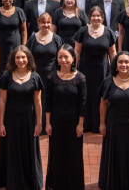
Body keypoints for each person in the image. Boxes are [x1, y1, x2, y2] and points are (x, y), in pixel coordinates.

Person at [97, 51, 129, 190]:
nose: (123, 65)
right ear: (115, 64)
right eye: (120, 62)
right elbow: (103, 103)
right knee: (115, 154)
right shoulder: (108, 81)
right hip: (114, 124)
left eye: (127, 62)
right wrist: (102, 123)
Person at [0, 46, 44, 190]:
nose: (20, 60)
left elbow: (37, 102)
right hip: (11, 120)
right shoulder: (6, 77)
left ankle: (30, 181)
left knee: (29, 150)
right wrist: (1, 123)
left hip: (29, 120)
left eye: (23, 57)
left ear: (28, 58)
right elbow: (2, 101)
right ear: (13, 59)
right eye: (17, 57)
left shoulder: (35, 77)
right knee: (12, 150)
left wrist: (39, 123)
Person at [44, 44, 87, 190]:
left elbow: (82, 103)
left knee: (74, 156)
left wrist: (81, 124)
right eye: (60, 57)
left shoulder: (80, 78)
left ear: (73, 59)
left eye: (66, 57)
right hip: (56, 122)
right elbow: (48, 101)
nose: (63, 60)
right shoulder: (51, 78)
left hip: (74, 123)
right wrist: (48, 123)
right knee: (56, 155)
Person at [74, 7, 118, 133]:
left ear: (102, 18)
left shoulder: (108, 32)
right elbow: (77, 51)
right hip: (85, 69)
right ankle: (86, 123)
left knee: (101, 96)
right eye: (93, 15)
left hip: (102, 70)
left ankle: (100, 123)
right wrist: (74, 68)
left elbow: (112, 52)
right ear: (89, 17)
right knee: (85, 95)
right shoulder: (82, 31)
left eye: (98, 15)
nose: (96, 18)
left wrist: (114, 69)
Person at [25, 13, 64, 134]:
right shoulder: (32, 39)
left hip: (52, 75)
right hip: (36, 75)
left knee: (52, 98)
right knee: (37, 99)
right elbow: (27, 56)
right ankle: (38, 123)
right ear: (39, 23)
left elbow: (62, 57)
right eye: (43, 22)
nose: (46, 25)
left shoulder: (57, 39)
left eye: (48, 22)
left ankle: (51, 124)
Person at [0, 0, 28, 83]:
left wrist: (23, 46)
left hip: (16, 44)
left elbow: (23, 30)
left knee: (16, 65)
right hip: (0, 45)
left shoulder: (19, 11)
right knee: (1, 67)